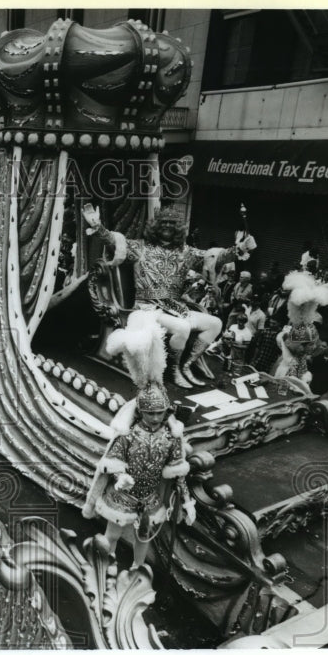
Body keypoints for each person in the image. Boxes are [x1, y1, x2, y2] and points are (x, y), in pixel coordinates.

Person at [82, 203, 241, 388]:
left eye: (172, 223)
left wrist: (237, 250)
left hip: (175, 307)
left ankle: (187, 365)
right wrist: (98, 227)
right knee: (182, 327)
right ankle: (174, 370)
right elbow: (113, 241)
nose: (167, 226)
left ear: (178, 228)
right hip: (147, 309)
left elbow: (213, 257)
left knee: (216, 323)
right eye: (163, 222)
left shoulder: (186, 252)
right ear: (155, 226)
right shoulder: (140, 248)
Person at [82, 310, 195, 572]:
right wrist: (120, 476)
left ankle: (137, 568)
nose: (156, 417)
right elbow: (112, 462)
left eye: (160, 412)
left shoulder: (171, 437)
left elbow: (178, 474)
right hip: (122, 496)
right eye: (150, 412)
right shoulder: (130, 435)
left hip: (150, 498)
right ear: (141, 411)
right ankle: (104, 563)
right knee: (112, 535)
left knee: (143, 538)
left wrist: (188, 501)